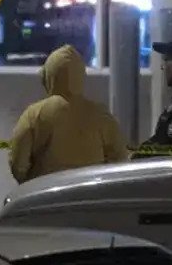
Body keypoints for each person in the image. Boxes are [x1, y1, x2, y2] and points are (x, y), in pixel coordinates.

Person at [9, 44, 129, 184]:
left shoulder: (34, 115)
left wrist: (32, 183)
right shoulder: (101, 116)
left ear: (49, 75)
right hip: (89, 196)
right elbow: (119, 161)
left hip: (45, 195)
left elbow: (18, 163)